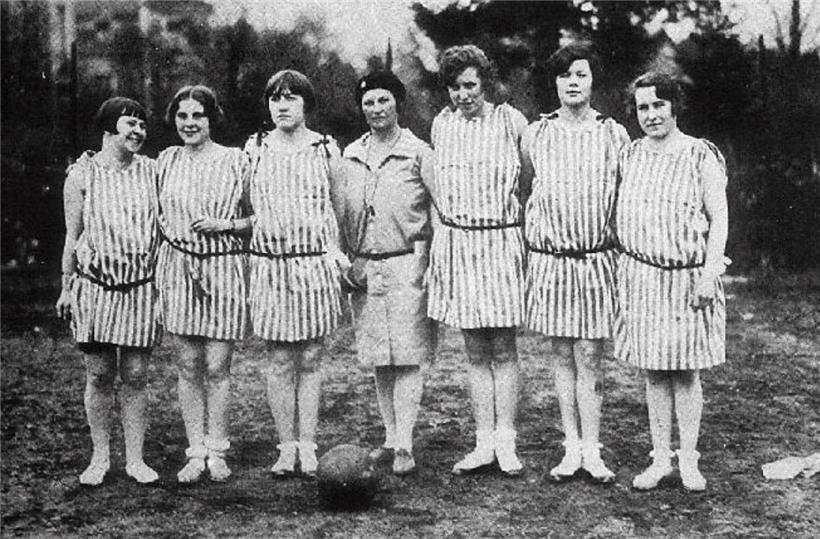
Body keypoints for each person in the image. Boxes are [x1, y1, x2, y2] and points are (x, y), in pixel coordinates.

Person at [615, 72, 729, 492]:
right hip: (643, 277)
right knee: (654, 371)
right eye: (643, 107)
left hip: (687, 279)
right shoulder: (630, 155)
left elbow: (719, 218)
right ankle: (660, 458)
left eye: (659, 105)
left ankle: (688, 460)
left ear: (674, 106)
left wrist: (709, 272)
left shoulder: (699, 154)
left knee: (684, 372)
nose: (651, 115)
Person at [521, 42, 629, 482]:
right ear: (556, 82)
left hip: (595, 261)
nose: (572, 83)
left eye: (580, 75)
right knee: (562, 354)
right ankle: (570, 448)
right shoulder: (537, 133)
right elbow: (529, 187)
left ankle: (593, 450)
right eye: (564, 76)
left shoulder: (613, 133)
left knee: (591, 356)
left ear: (592, 81)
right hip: (552, 262)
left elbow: (622, 196)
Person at [426, 45, 531, 475]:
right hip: (461, 246)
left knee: (503, 347)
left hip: (502, 242)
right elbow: (435, 190)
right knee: (474, 350)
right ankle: (482, 441)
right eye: (454, 87)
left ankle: (506, 442)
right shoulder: (442, 124)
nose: (462, 94)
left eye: (470, 85)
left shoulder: (512, 120)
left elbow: (530, 179)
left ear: (484, 83)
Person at [244, 70, 345, 477]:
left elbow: (338, 206)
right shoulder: (253, 149)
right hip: (270, 265)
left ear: (306, 103)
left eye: (291, 98)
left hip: (313, 264)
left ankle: (308, 446)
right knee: (280, 360)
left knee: (311, 358)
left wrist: (337, 253)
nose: (282, 105)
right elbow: (244, 209)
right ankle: (286, 447)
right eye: (275, 98)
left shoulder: (325, 148)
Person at [56, 97, 160, 485]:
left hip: (138, 288)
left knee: (135, 374)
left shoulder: (151, 171)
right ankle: (99, 458)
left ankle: (136, 459)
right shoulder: (81, 174)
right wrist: (66, 287)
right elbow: (73, 236)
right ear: (107, 129)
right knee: (99, 375)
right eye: (129, 123)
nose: (137, 131)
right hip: (95, 287)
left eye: (142, 125)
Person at [339, 71, 436, 475]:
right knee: (381, 358)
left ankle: (406, 444)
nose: (376, 109)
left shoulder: (418, 151)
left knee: (408, 355)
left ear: (398, 102)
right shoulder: (350, 154)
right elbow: (341, 212)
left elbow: (436, 209)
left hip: (407, 262)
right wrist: (347, 259)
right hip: (366, 266)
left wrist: (429, 260)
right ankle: (390, 436)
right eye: (369, 102)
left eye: (384, 100)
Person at [156, 85, 249, 483]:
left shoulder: (236, 161)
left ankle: (217, 450)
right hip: (177, 270)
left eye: (198, 115)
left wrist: (224, 224)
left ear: (212, 119)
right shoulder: (164, 161)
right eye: (182, 116)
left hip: (223, 268)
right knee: (188, 365)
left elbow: (260, 217)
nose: (190, 123)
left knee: (217, 365)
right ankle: (195, 452)